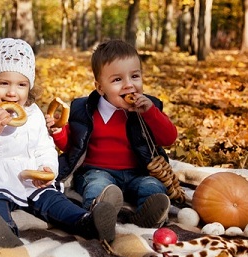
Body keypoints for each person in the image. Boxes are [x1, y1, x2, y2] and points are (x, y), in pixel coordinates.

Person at [0, 38, 118, 248]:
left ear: (29, 87)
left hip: (26, 177)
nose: (12, 92)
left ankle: (87, 222)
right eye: (3, 83)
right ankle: (3, 231)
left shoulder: (33, 114)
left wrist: (47, 169)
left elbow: (44, 148)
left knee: (52, 198)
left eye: (21, 85)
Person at [45, 39, 177, 228]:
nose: (128, 85)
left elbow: (169, 138)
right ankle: (99, 215)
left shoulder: (148, 109)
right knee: (98, 186)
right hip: (96, 170)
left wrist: (151, 114)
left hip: (137, 172)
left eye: (135, 76)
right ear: (100, 88)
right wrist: (58, 132)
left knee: (152, 186)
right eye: (117, 80)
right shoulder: (85, 110)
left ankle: (149, 216)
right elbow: (73, 145)